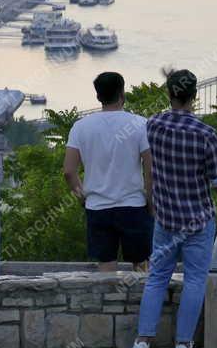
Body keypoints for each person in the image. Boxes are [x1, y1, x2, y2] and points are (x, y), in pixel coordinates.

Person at [129, 69, 217, 348]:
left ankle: (142, 343)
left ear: (169, 94)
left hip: (165, 217)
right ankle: (183, 345)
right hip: (197, 219)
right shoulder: (206, 134)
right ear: (194, 96)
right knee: (194, 281)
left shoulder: (153, 125)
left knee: (157, 278)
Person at [64, 72, 153, 273]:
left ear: (98, 96)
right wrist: (150, 201)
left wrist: (83, 198)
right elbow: (151, 171)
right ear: (123, 93)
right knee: (141, 264)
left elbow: (69, 172)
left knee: (106, 264)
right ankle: (142, 304)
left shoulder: (80, 127)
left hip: (97, 207)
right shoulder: (140, 124)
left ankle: (107, 302)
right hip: (133, 206)